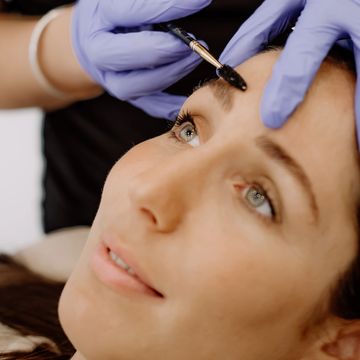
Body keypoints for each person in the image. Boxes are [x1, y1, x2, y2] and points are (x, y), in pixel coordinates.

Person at [1, 47, 360, 360]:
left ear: (346, 345)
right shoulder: (43, 266)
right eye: (189, 131)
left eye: (257, 197)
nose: (147, 191)